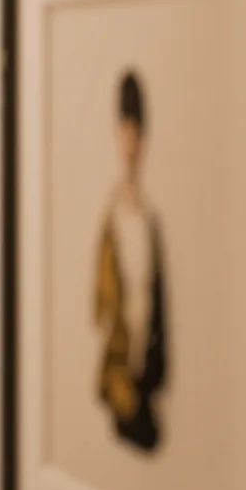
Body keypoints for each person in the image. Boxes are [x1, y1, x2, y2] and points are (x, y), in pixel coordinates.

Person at [93, 70, 167, 451]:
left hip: (145, 367)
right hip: (119, 367)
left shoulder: (150, 222)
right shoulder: (112, 217)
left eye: (136, 131)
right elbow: (100, 308)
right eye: (125, 129)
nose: (130, 142)